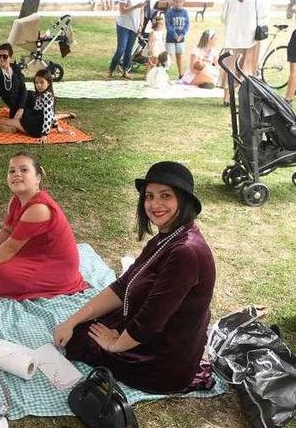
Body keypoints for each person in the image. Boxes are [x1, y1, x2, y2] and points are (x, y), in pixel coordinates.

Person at [54, 161, 215, 394]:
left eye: (165, 196)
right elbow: (122, 286)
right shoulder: (167, 237)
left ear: (183, 200)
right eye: (149, 196)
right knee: (76, 330)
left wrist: (115, 345)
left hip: (161, 362)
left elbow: (152, 320)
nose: (155, 204)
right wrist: (72, 320)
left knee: (77, 342)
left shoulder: (185, 252)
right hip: (148, 331)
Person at [0, 152, 87, 300]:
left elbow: (11, 247)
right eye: (12, 171)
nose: (16, 174)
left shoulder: (39, 208)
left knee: (1, 275)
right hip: (31, 252)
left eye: (24, 170)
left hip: (55, 265)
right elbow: (7, 230)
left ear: (37, 178)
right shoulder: (16, 200)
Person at [0, 70, 72, 141]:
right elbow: (51, 114)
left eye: (42, 82)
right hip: (34, 121)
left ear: (49, 83)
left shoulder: (47, 96)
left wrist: (44, 134)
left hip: (36, 128)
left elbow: (48, 115)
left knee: (3, 121)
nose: (38, 85)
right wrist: (56, 126)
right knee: (7, 121)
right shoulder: (44, 94)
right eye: (36, 82)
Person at [218, 0, 268, 106]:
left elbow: (223, 17)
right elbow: (264, 17)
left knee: (230, 68)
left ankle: (227, 98)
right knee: (248, 70)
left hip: (232, 39)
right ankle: (245, 99)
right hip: (251, 40)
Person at [109, 0, 145, 79]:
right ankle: (111, 70)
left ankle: (125, 72)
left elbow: (142, 12)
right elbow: (122, 10)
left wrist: (141, 25)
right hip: (123, 26)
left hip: (134, 27)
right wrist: (135, 6)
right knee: (121, 49)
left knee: (129, 51)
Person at [0, 43, 27, 120]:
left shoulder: (16, 68)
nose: (1, 59)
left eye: (5, 56)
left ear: (10, 57)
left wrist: (21, 107)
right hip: (14, 106)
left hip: (25, 100)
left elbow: (23, 89)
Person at [165, 0, 190, 79]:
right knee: (169, 56)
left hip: (181, 38)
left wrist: (182, 35)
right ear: (173, 1)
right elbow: (169, 25)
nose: (178, 3)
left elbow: (187, 25)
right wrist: (175, 35)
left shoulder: (185, 12)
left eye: (180, 2)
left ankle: (181, 74)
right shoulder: (169, 12)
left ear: (183, 2)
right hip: (171, 38)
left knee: (179, 56)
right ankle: (165, 74)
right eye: (177, 2)